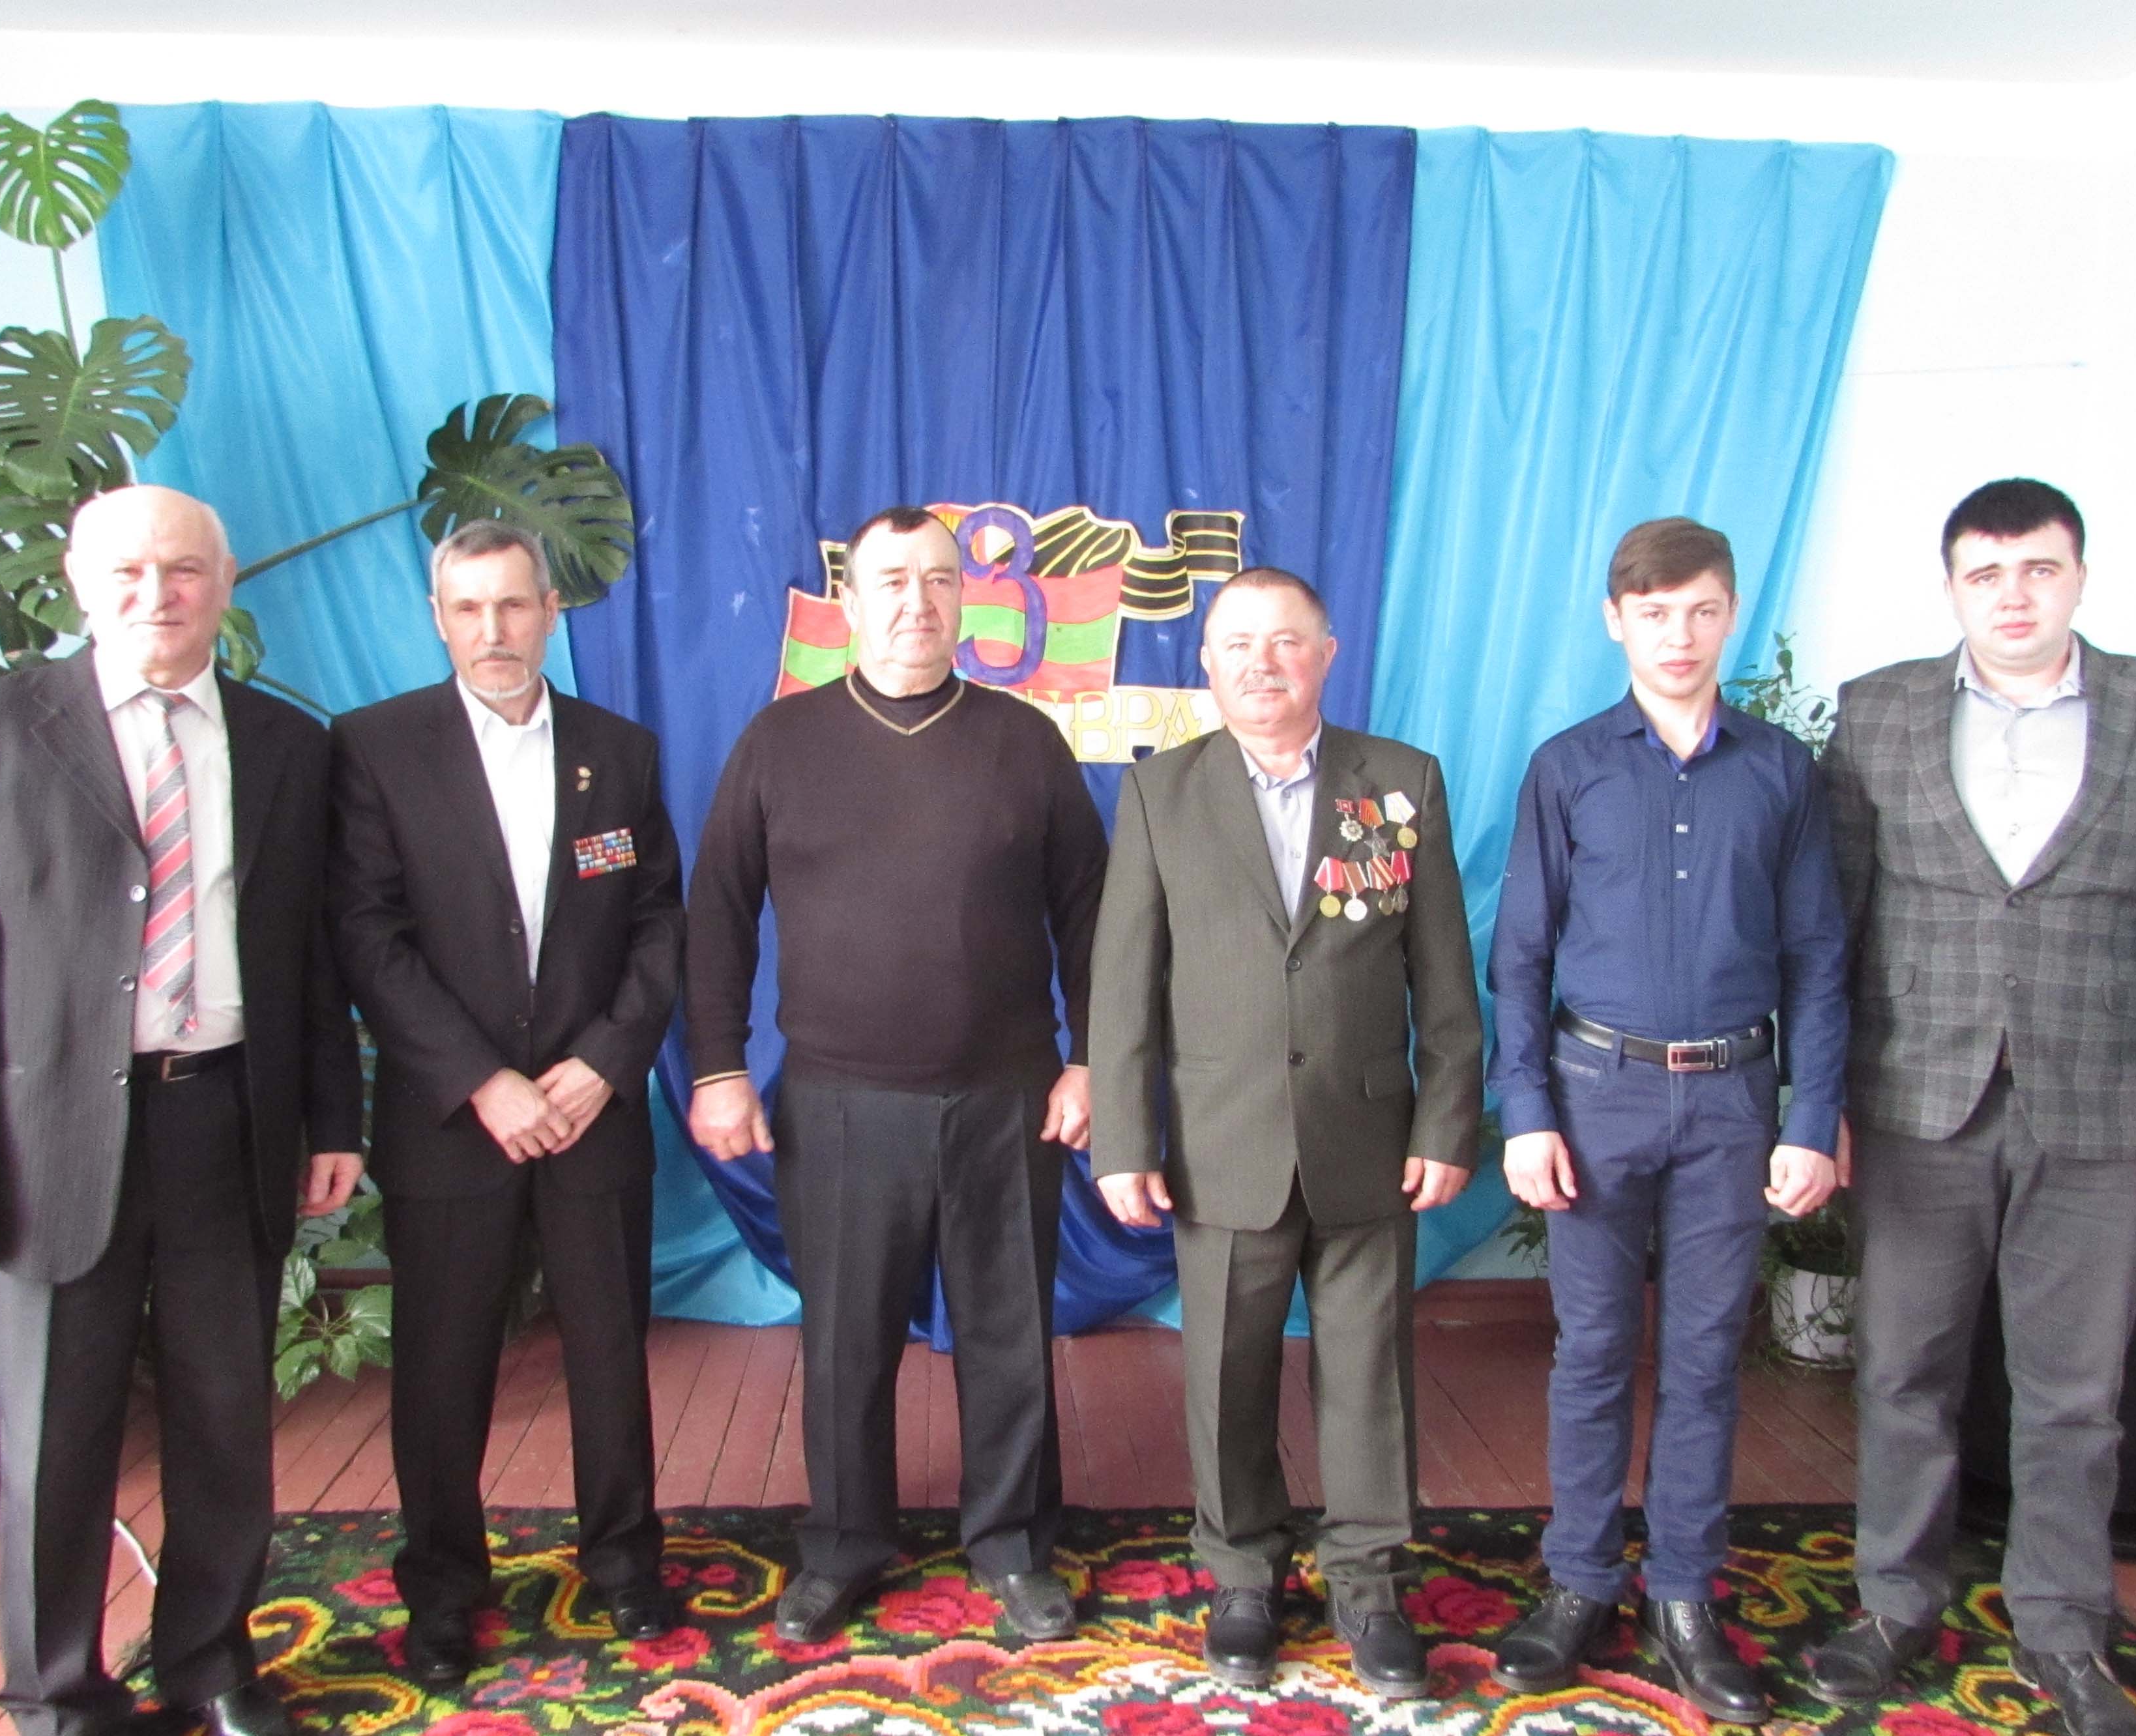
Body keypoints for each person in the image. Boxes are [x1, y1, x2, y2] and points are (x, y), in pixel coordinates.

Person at [0, 485, 363, 1736]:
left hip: (227, 1120)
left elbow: (309, 951)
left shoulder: (284, 741)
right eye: (131, 572)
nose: (159, 594)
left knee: (224, 1421)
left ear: (225, 582)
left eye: (185, 569)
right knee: (57, 1437)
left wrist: (333, 1119)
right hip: (48, 1143)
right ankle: (55, 1696)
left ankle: (210, 1663)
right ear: (81, 583)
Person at [1803, 480, 2136, 1736]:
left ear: (2079, 578)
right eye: (1986, 574)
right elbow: (1830, 924)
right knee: (1904, 1370)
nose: (2013, 597)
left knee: (2075, 1391)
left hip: (2107, 1111)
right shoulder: (1880, 710)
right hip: (1913, 1100)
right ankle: (1894, 1605)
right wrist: (1815, 1104)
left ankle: (2063, 1627)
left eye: (2038, 570)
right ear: (1952, 587)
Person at [684, 506, 1105, 1646]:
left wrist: (1091, 1060)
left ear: (965, 598)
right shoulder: (779, 741)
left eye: (937, 580)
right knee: (846, 1342)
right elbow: (716, 914)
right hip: (837, 1100)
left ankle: (1013, 1546)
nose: (917, 602)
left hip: (1008, 1096)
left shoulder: (1025, 741)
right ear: (850, 600)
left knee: (1009, 1334)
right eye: (891, 581)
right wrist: (718, 1068)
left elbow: (1094, 915)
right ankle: (843, 1545)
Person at [1091, 567, 1484, 1700]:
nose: (1262, 664)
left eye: (1286, 642)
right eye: (1238, 645)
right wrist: (1124, 1138)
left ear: (1327, 653)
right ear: (1207, 663)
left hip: (1370, 1136)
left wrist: (1448, 1117)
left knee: (1369, 1375)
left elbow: (1443, 978)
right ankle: (1244, 1577)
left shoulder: (1400, 782)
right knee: (1226, 1372)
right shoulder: (1161, 791)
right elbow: (1124, 983)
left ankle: (1370, 1584)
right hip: (1221, 1140)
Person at [1485, 517, 1848, 1726]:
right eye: (1653, 613)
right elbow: (1520, 957)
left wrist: (1813, 1116)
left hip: (1735, 1102)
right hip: (1597, 1095)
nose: (1678, 635)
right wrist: (1526, 1111)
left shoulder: (1781, 771)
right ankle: (1581, 1583)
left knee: (1702, 1357)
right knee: (1592, 1350)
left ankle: (1684, 1596)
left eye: (1699, 611)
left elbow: (1818, 956)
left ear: (1730, 613)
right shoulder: (1569, 767)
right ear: (1616, 621)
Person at [328, 521, 686, 1683]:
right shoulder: (377, 748)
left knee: (608, 1355)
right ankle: (442, 1591)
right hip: (454, 1121)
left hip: (591, 1111)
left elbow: (658, 922)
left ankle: (624, 1563)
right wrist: (484, 1082)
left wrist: (603, 1063)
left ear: (550, 612)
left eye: (515, 605)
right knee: (442, 1369)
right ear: (439, 619)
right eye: (469, 608)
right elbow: (368, 937)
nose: (494, 630)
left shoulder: (618, 752)